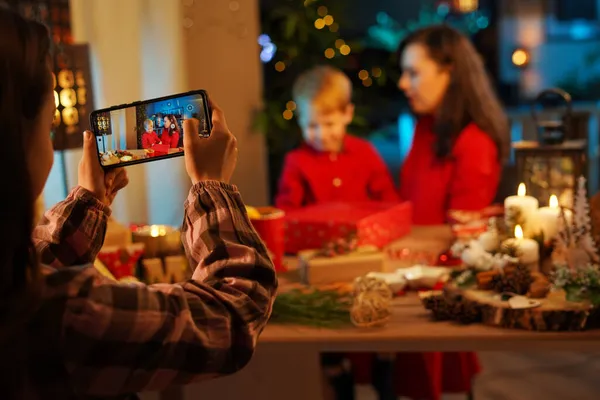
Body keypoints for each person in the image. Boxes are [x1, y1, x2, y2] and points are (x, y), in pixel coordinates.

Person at [0, 8, 277, 398]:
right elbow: (232, 314)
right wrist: (211, 185)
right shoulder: (66, 315)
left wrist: (90, 201)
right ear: (13, 147)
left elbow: (40, 263)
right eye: (47, 127)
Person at [351, 25, 509, 400]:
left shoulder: (474, 142)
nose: (404, 83)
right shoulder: (426, 128)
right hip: (407, 281)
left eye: (414, 72)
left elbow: (462, 240)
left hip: (438, 297)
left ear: (449, 71)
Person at [274, 65, 398, 212]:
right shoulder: (296, 162)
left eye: (329, 124)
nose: (322, 135)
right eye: (312, 126)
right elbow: (286, 211)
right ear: (300, 121)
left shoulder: (365, 152)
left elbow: (389, 201)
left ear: (347, 114)